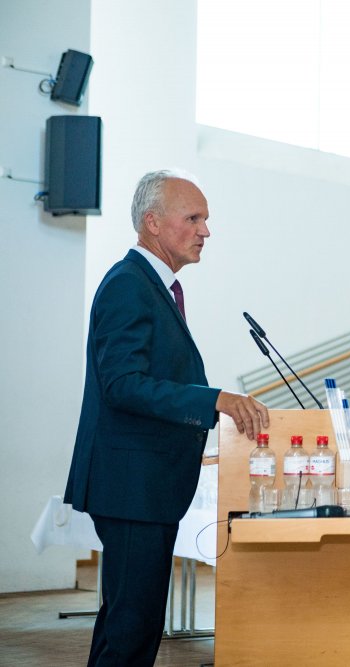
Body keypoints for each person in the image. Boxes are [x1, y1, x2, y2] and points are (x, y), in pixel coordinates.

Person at [63, 170, 271, 666]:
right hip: (131, 485)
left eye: (206, 219)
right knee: (132, 629)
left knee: (126, 623)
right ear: (153, 223)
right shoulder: (129, 285)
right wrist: (213, 400)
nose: (205, 231)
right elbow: (122, 384)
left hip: (143, 485)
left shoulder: (153, 286)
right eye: (193, 218)